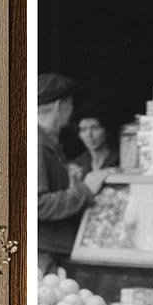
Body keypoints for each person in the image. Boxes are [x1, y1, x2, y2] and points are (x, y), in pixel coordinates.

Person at [37, 73, 105, 271]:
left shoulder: (46, 141)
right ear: (60, 106)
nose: (71, 111)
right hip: (44, 252)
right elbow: (37, 205)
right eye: (70, 105)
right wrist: (86, 190)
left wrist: (69, 180)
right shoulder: (37, 143)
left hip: (50, 248)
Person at [69, 107, 119, 175]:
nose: (89, 134)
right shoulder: (75, 165)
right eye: (83, 129)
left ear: (107, 131)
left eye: (95, 128)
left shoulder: (121, 160)